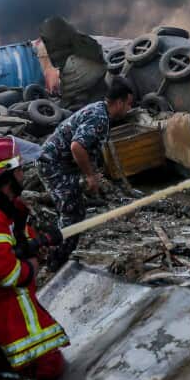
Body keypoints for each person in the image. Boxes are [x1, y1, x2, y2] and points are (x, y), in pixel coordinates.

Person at [0, 137, 69, 380]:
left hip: (3, 302)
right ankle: (1, 367)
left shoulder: (6, 207)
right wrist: (31, 266)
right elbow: (3, 272)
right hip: (0, 304)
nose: (23, 174)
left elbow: (15, 239)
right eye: (19, 169)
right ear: (7, 177)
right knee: (49, 368)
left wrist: (36, 244)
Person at [37, 75, 135, 265]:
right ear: (120, 102)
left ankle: (59, 254)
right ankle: (55, 261)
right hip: (53, 164)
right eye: (128, 104)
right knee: (72, 214)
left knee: (76, 212)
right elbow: (77, 146)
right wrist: (90, 176)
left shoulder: (101, 110)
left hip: (61, 164)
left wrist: (95, 174)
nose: (129, 109)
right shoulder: (99, 118)